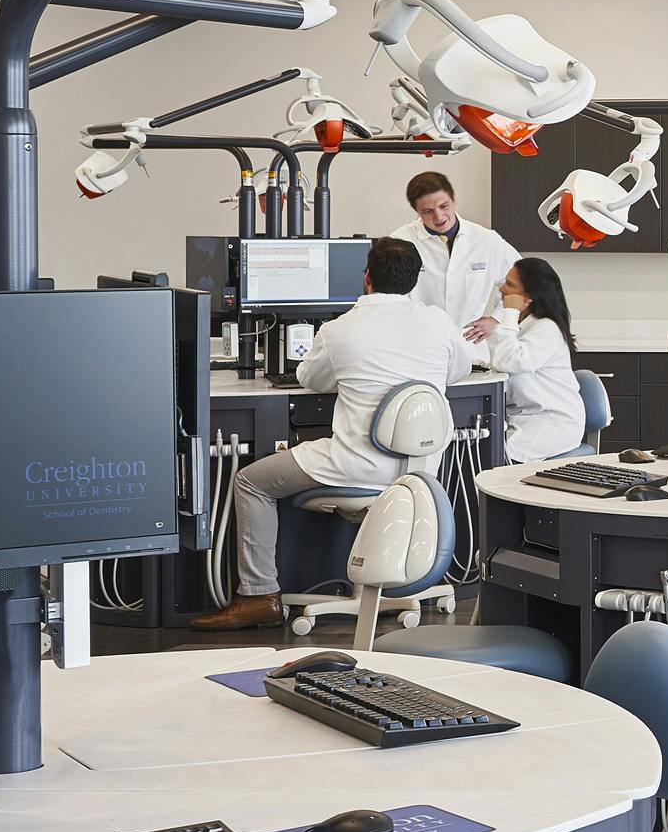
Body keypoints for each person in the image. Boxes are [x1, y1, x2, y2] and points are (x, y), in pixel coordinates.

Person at [194, 236, 472, 631]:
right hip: (420, 472)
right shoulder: (439, 322)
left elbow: (310, 379)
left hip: (355, 467)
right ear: (415, 281)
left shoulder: (341, 329)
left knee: (251, 482)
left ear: (367, 278)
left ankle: (258, 596)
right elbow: (456, 372)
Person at [397, 169, 520, 346]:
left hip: (471, 344)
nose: (438, 216)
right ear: (416, 210)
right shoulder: (400, 242)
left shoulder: (486, 240)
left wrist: (497, 319)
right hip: (421, 343)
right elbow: (386, 296)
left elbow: (526, 283)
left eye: (444, 206)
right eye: (427, 211)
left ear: (454, 200)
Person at [483, 257, 584, 464]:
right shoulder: (524, 325)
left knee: (495, 460)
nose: (502, 289)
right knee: (479, 449)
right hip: (525, 418)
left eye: (510, 285)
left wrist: (509, 312)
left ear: (529, 297)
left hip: (550, 422)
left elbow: (509, 361)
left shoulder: (546, 328)